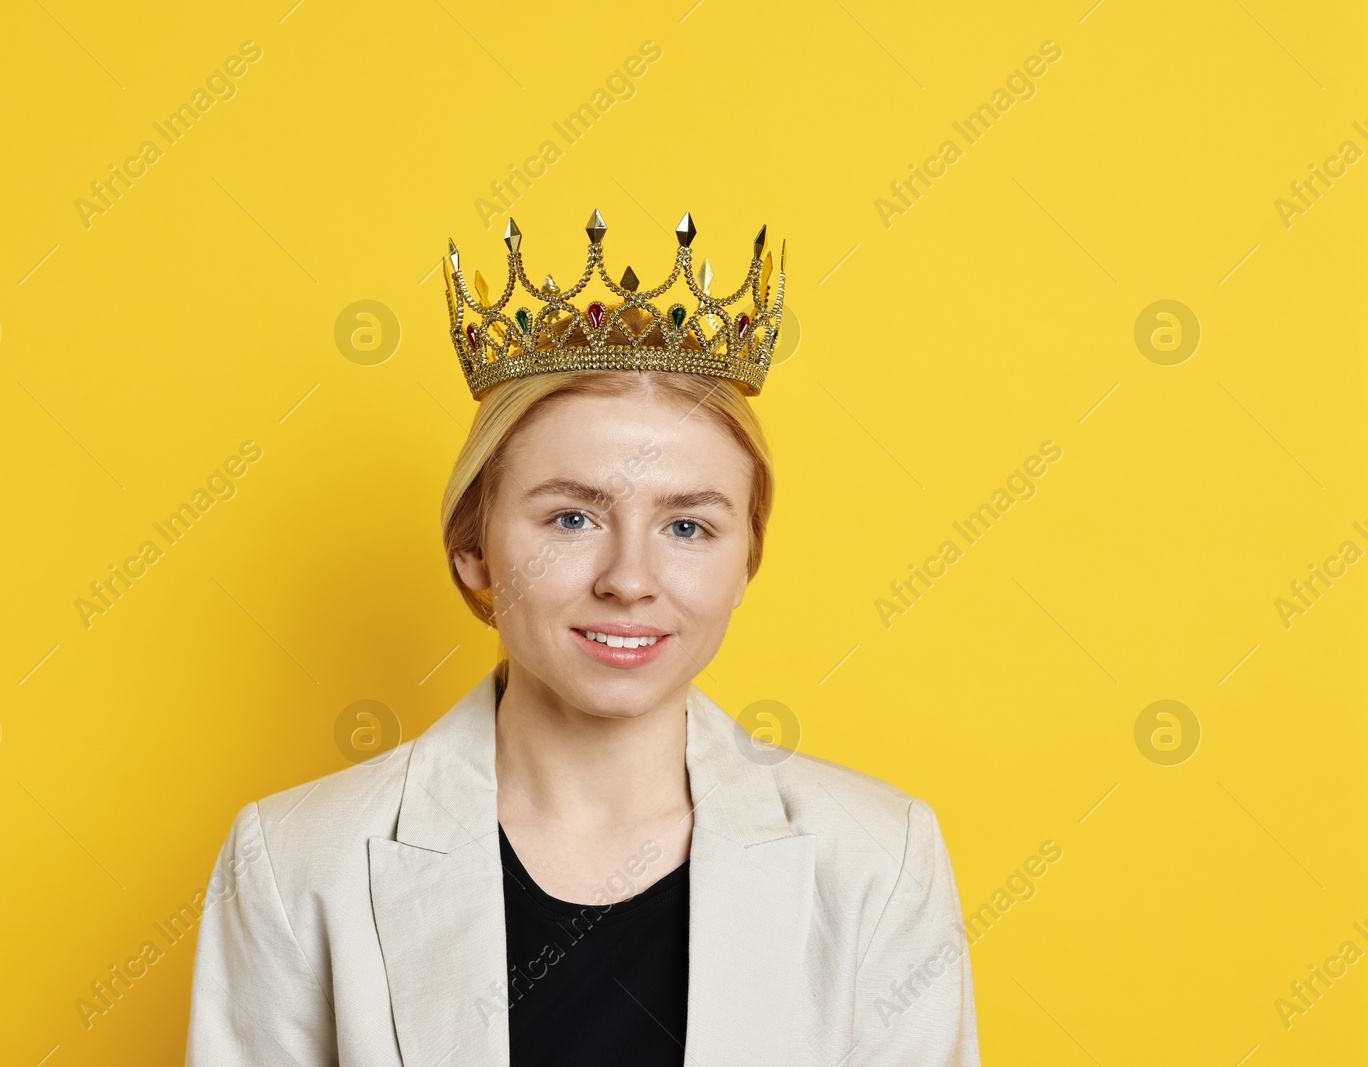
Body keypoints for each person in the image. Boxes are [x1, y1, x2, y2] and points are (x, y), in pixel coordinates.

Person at [186, 211, 981, 1065]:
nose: (629, 577)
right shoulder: (297, 861)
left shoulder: (878, 860)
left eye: (687, 526)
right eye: (572, 516)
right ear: (472, 553)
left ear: (746, 560)